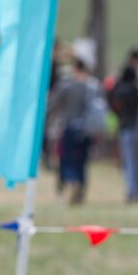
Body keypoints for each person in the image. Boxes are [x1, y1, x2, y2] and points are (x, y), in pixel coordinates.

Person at [46, 56, 99, 205]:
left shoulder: (66, 85)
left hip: (68, 128)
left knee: (67, 159)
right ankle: (80, 186)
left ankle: (70, 183)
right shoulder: (93, 86)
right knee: (82, 161)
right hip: (87, 129)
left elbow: (52, 105)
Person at [109, 48, 138, 202]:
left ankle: (132, 192)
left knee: (130, 162)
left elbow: (112, 102)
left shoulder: (121, 87)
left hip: (127, 128)